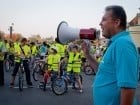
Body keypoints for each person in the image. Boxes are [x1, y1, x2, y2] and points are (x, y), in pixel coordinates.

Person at [82, 5, 139, 105]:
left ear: (116, 22)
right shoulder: (116, 43)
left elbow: (128, 89)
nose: (100, 23)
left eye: (104, 19)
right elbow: (102, 71)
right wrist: (87, 54)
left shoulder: (123, 44)